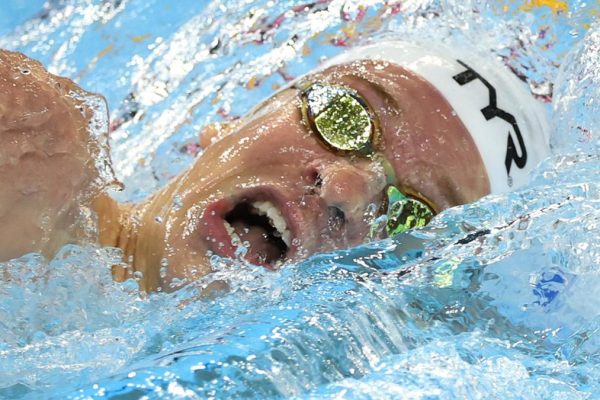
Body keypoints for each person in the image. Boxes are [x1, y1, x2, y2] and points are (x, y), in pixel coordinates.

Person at [0, 41, 550, 291]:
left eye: (413, 214)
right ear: (231, 123)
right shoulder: (32, 149)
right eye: (344, 115)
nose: (346, 187)